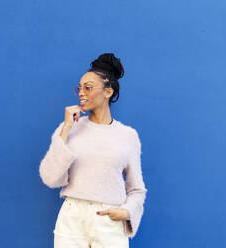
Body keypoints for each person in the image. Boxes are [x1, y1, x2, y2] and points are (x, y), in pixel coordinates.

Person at [39, 53, 147, 248]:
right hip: (72, 220)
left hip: (109, 221)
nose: (81, 93)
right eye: (79, 88)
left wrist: (126, 212)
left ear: (108, 92)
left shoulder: (127, 136)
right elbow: (50, 178)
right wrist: (65, 131)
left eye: (88, 88)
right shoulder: (69, 129)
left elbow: (137, 190)